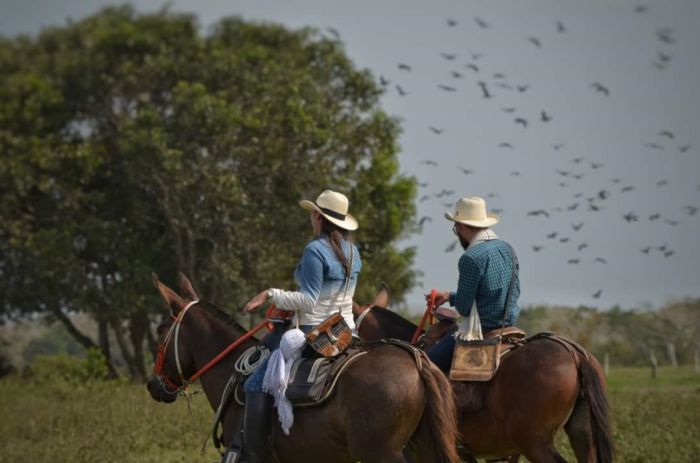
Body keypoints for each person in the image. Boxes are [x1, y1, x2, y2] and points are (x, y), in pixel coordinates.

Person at [231, 189, 362, 463]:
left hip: (316, 334)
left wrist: (271, 294)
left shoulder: (315, 249)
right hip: (347, 332)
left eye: (313, 215)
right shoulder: (353, 251)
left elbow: (309, 299)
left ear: (318, 217)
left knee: (256, 383)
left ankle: (253, 456)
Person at [425, 196, 520, 373]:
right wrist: (448, 296)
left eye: (455, 228)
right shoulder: (507, 249)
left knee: (425, 367)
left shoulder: (471, 257)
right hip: (510, 327)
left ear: (459, 226)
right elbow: (504, 292)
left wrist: (456, 300)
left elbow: (464, 308)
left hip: (483, 330)